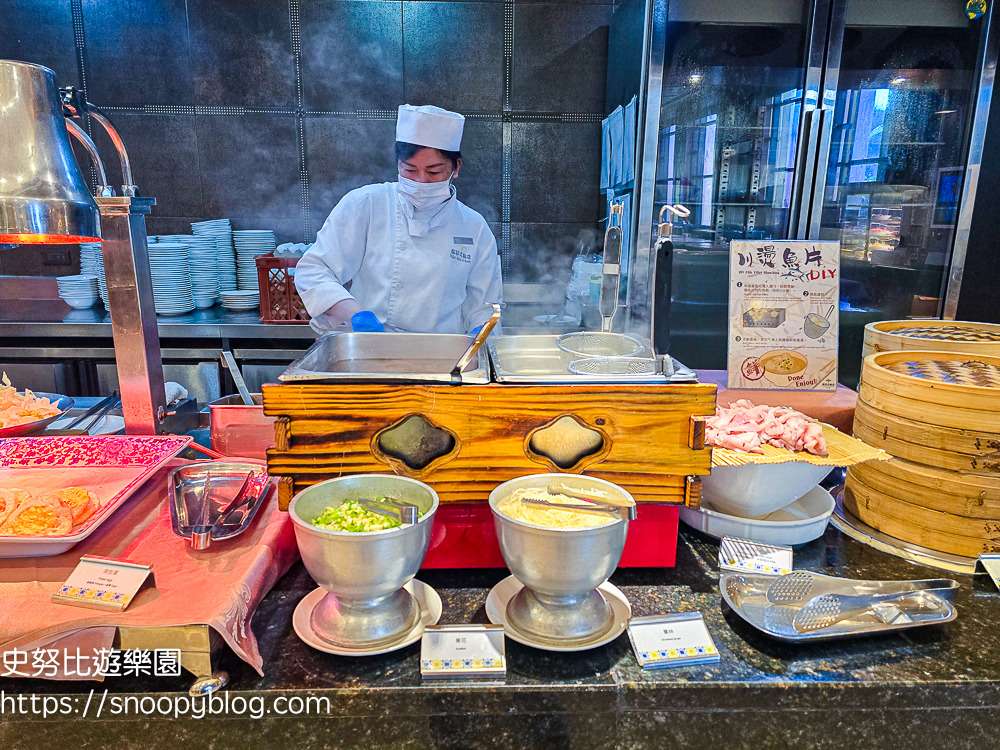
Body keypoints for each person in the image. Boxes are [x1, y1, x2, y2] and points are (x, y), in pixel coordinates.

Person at [295, 104, 503, 335]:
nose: (421, 181)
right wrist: (356, 314)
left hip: (441, 357)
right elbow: (314, 270)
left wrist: (482, 333)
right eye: (409, 170)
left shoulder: (474, 227)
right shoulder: (367, 204)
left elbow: (485, 307)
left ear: (456, 168)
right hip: (370, 349)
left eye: (434, 172)